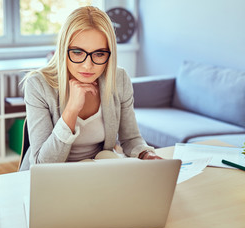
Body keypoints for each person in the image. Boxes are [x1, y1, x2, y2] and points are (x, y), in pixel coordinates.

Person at [19, 6, 161, 171]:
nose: (88, 65)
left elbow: (131, 139)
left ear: (110, 54)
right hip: (51, 178)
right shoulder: (38, 85)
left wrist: (146, 154)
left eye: (99, 54)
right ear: (64, 50)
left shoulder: (119, 79)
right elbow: (42, 165)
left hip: (95, 174)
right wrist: (71, 110)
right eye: (78, 52)